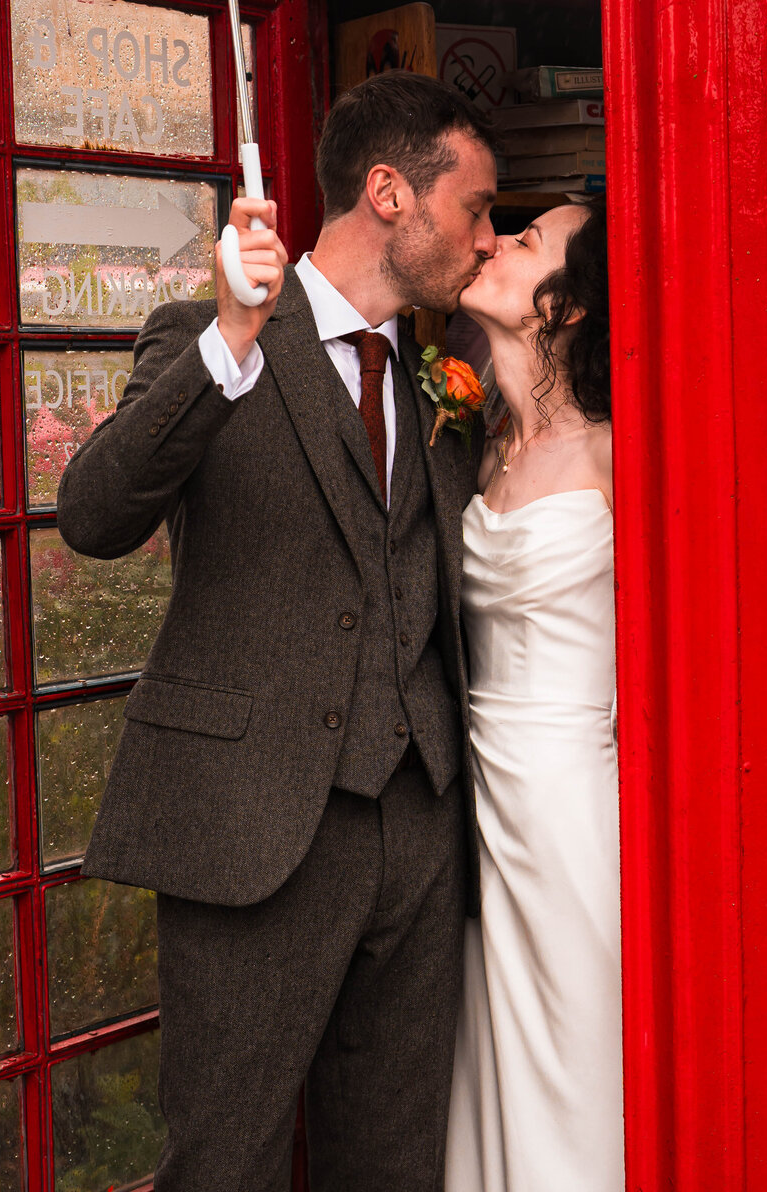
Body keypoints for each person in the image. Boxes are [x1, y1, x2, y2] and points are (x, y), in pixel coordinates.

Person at [56, 74, 498, 1192]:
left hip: (421, 825)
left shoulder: (444, 380)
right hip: (252, 827)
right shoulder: (206, 338)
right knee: (227, 1163)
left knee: (394, 1163)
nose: (486, 238)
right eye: (477, 207)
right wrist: (232, 340)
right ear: (391, 194)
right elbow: (96, 515)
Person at [444, 195, 622, 1192]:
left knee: (576, 1064)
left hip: (568, 811)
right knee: (487, 1067)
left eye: (528, 241)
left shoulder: (613, 451)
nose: (499, 243)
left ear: (569, 306)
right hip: (472, 804)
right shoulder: (470, 445)